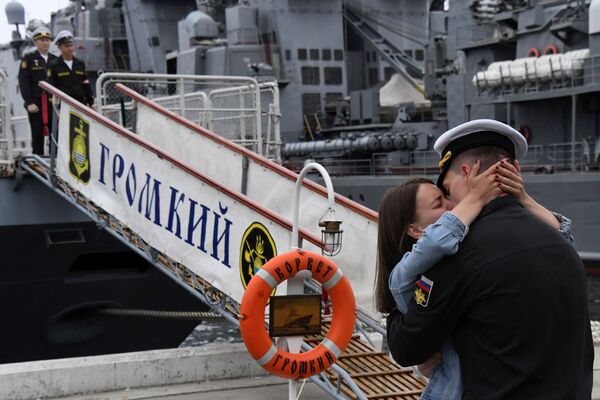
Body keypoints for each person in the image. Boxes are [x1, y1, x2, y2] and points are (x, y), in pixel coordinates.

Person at [384, 119, 593, 399]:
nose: (451, 203)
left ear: (468, 173)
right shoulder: (561, 243)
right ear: (515, 171)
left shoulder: (461, 256)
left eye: (448, 189)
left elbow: (406, 347)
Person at [18, 26, 57, 155]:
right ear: (36, 42)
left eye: (47, 40)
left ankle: (55, 167)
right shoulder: (28, 59)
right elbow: (24, 82)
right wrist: (29, 102)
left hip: (53, 104)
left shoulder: (55, 60)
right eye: (42, 40)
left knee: (55, 137)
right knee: (37, 137)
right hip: (37, 103)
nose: (45, 42)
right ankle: (38, 166)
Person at [47, 31, 94, 107]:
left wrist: (91, 102)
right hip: (64, 104)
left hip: (80, 103)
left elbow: (86, 84)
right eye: (67, 46)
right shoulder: (54, 65)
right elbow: (52, 87)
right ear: (59, 47)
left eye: (71, 45)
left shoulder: (80, 64)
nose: (70, 48)